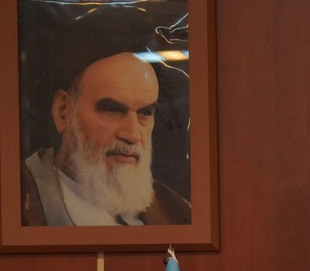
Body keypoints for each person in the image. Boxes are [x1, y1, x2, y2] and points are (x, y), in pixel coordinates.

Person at [19, 49, 191, 227]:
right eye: (112, 110)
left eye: (145, 113)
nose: (132, 135)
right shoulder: (15, 203)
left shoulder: (177, 212)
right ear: (63, 112)